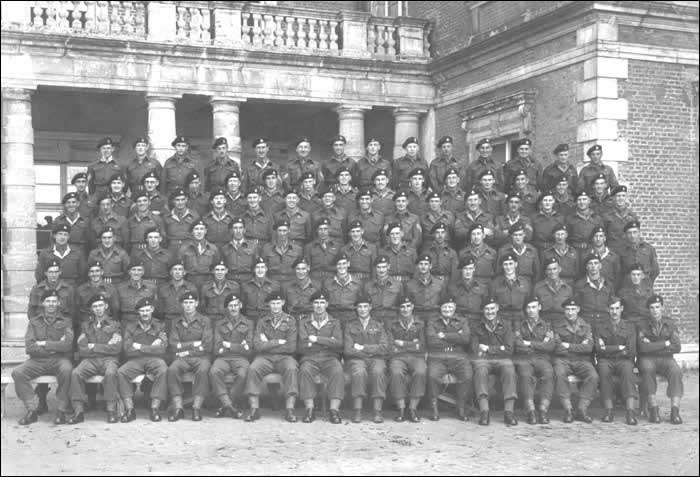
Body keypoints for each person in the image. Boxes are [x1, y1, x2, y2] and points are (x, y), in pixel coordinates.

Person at [11, 289, 73, 426]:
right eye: (48, 301)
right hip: (37, 361)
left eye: (54, 301)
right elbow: (30, 346)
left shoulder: (66, 321)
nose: (51, 304)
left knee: (68, 370)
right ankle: (32, 410)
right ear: (43, 303)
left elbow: (67, 345)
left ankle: (61, 411)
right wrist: (55, 346)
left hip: (59, 360)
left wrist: (45, 343)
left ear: (58, 303)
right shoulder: (34, 322)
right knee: (18, 372)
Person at [245, 293, 299, 422]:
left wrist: (267, 343)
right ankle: (254, 409)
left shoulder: (290, 320)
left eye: (278, 303)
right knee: (253, 368)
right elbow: (258, 346)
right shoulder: (262, 321)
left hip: (284, 357)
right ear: (269, 305)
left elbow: (291, 347)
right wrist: (278, 342)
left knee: (291, 369)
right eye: (273, 303)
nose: (275, 306)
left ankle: (290, 409)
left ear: (283, 303)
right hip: (265, 357)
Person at [69, 293, 122, 424]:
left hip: (109, 360)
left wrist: (93, 346)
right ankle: (78, 411)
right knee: (76, 373)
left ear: (106, 306)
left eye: (100, 305)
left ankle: (111, 410)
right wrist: (105, 346)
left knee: (111, 374)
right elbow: (82, 349)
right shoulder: (85, 326)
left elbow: (116, 348)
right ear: (92, 309)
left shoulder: (115, 325)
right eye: (95, 306)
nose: (98, 309)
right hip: (90, 361)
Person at [297, 291, 345, 424]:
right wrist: (328, 341)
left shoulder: (334, 322)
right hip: (309, 357)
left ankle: (334, 410)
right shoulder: (304, 322)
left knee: (338, 371)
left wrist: (316, 339)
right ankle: (309, 409)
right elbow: (302, 345)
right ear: (312, 304)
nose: (319, 306)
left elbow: (338, 343)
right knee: (305, 370)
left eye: (322, 303)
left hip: (330, 357)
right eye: (316, 303)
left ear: (327, 304)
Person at [118, 297, 168, 422]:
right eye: (142, 311)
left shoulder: (160, 326)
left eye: (147, 310)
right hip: (136, 360)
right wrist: (152, 346)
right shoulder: (130, 326)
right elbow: (128, 349)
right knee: (121, 372)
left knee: (164, 370)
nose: (145, 313)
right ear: (138, 312)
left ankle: (154, 408)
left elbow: (162, 349)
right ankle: (130, 409)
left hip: (155, 360)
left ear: (152, 310)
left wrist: (139, 346)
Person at [470, 297, 518, 426]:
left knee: (509, 369)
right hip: (483, 359)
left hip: (502, 359)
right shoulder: (476, 326)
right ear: (483, 310)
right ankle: (484, 411)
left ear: (497, 308)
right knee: (480, 371)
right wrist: (498, 349)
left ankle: (509, 412)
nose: (489, 312)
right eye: (486, 309)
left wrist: (488, 348)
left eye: (492, 308)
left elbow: (509, 350)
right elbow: (475, 349)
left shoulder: (506, 324)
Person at [637, 294, 683, 424]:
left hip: (666, 359)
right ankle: (653, 409)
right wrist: (665, 343)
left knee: (676, 371)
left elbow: (677, 347)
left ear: (662, 307)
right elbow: (642, 348)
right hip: (648, 358)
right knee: (646, 369)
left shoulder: (670, 323)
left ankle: (675, 411)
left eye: (657, 307)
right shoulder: (642, 325)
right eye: (652, 308)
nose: (655, 310)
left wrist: (651, 345)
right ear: (648, 310)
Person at [167, 291, 213, 422]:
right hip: (182, 359)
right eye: (185, 303)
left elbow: (207, 346)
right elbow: (174, 345)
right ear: (182, 304)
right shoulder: (176, 322)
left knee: (203, 370)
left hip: (201, 358)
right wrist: (194, 344)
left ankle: (196, 408)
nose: (188, 305)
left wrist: (186, 349)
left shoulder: (205, 321)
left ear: (196, 304)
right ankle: (178, 408)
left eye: (191, 302)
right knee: (172, 370)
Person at [344, 293, 389, 423]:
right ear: (356, 309)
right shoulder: (350, 325)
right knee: (359, 372)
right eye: (360, 307)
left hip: (377, 359)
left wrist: (363, 348)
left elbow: (384, 347)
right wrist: (370, 351)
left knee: (378, 372)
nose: (362, 309)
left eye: (365, 306)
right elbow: (348, 349)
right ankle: (357, 410)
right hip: (357, 359)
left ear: (370, 307)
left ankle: (377, 411)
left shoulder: (378, 324)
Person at [425, 295, 472, 421]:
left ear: (455, 307)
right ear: (440, 308)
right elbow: (431, 341)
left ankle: (461, 406)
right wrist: (457, 336)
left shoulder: (462, 320)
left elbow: (466, 339)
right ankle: (434, 407)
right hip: (438, 355)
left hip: (458, 356)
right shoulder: (432, 321)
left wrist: (444, 335)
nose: (447, 309)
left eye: (450, 306)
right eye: (444, 307)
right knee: (432, 376)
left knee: (467, 375)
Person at [594, 296, 639, 425]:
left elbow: (630, 350)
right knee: (603, 372)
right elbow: (598, 349)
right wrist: (619, 347)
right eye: (612, 308)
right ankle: (608, 410)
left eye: (617, 308)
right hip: (605, 361)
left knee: (628, 372)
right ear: (607, 309)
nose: (614, 312)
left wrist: (607, 348)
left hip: (624, 360)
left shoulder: (629, 326)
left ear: (622, 309)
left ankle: (630, 412)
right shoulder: (600, 327)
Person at [552, 298, 598, 423]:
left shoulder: (586, 326)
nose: (570, 312)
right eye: (567, 309)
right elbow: (557, 348)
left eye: (573, 309)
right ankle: (568, 410)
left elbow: (588, 348)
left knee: (593, 376)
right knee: (559, 374)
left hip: (582, 360)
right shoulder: (556, 325)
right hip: (563, 360)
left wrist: (568, 346)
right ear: (564, 311)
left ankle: (582, 410)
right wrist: (579, 347)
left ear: (578, 310)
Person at [210, 292, 253, 419]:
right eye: (230, 305)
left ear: (240, 306)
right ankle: (230, 406)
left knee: (242, 374)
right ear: (226, 308)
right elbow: (217, 349)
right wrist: (240, 346)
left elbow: (249, 349)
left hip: (241, 359)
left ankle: (225, 405)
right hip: (223, 358)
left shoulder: (248, 323)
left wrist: (228, 345)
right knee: (214, 371)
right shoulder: (219, 324)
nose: (233, 308)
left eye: (236, 305)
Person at [513, 295, 555, 424]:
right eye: (528, 307)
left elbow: (550, 346)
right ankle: (530, 411)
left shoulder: (547, 325)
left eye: (534, 307)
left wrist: (529, 344)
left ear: (539, 308)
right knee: (525, 375)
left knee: (548, 374)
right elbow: (518, 345)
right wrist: (539, 345)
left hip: (542, 359)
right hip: (524, 359)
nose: (531, 310)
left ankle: (543, 410)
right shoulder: (519, 325)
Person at [387, 295, 427, 422]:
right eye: (402, 307)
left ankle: (413, 408)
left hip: (417, 357)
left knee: (420, 372)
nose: (405, 309)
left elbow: (422, 346)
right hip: (398, 357)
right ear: (399, 309)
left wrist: (402, 344)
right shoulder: (391, 323)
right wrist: (413, 344)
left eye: (408, 306)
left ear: (412, 307)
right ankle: (401, 408)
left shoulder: (420, 323)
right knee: (396, 372)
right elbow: (390, 345)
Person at [179, 219, 221, 291]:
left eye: (202, 229)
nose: (199, 232)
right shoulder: (184, 248)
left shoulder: (213, 248)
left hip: (207, 281)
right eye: (196, 229)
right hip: (190, 281)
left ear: (205, 231)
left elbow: (215, 264)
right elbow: (180, 265)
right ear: (192, 232)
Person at [362, 255, 403, 325]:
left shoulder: (398, 285)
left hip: (392, 319)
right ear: (375, 268)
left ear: (388, 267)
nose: (381, 270)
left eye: (384, 267)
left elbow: (401, 305)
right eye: (379, 267)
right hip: (374, 319)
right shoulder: (368, 286)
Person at [323, 252, 361, 324]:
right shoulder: (327, 283)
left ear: (348, 264)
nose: (341, 266)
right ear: (335, 266)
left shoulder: (357, 282)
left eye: (344, 263)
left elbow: (360, 303)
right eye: (339, 264)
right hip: (333, 316)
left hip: (351, 316)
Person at [619, 220, 659, 288]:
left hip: (645, 288)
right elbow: (619, 273)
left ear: (639, 233)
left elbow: (655, 270)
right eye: (629, 233)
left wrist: (648, 283)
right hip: (628, 288)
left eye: (635, 232)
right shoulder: (622, 251)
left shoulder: (649, 249)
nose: (632, 235)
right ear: (626, 235)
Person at [240, 257, 281, 321]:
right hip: (250, 317)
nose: (260, 270)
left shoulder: (275, 285)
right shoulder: (245, 285)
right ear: (254, 270)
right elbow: (242, 305)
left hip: (268, 317)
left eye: (262, 267)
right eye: (257, 268)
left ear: (266, 269)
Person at [163, 188, 200, 255]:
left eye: (183, 199)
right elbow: (164, 236)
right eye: (177, 200)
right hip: (172, 249)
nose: (180, 202)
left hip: (189, 249)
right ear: (173, 201)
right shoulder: (166, 217)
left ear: (186, 200)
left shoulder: (194, 216)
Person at [305, 217, 341, 283]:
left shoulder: (337, 246)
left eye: (325, 229)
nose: (323, 232)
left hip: (332, 278)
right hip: (315, 278)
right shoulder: (309, 247)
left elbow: (340, 266)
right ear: (317, 230)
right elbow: (307, 267)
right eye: (320, 229)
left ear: (329, 230)